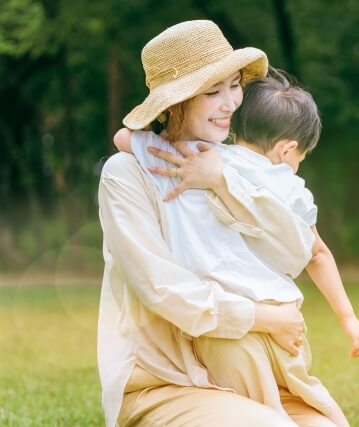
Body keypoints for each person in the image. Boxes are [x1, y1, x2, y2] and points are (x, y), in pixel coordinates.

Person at [98, 20, 334, 427]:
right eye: (212, 92)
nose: (231, 103)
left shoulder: (233, 165)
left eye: (234, 86)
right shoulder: (127, 175)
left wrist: (223, 184)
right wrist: (266, 318)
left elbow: (295, 252)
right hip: (169, 381)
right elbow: (162, 288)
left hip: (266, 375)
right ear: (176, 102)